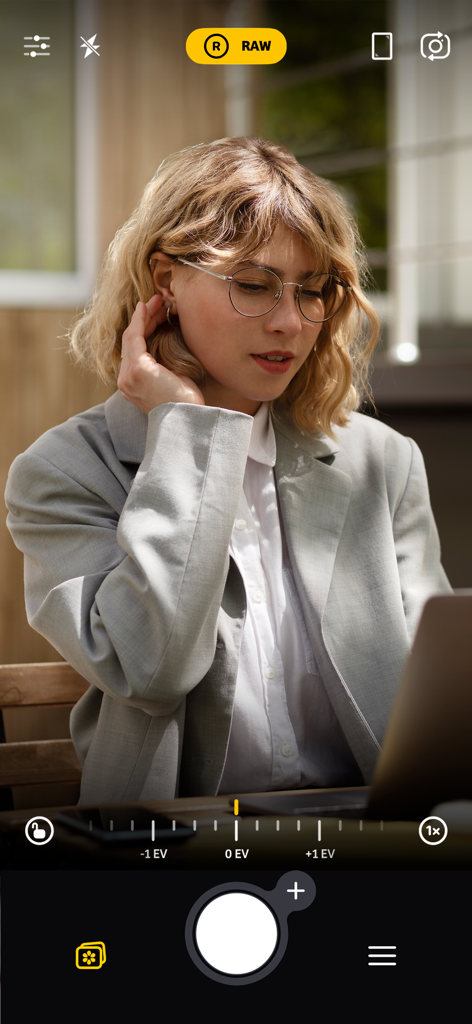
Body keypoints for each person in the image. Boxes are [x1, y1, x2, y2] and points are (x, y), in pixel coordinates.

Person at [5, 137, 451, 805]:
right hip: (172, 844)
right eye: (253, 285)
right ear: (166, 283)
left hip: (374, 829)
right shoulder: (64, 474)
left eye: (313, 291)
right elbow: (152, 668)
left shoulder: (383, 462)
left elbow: (439, 690)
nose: (288, 323)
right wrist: (189, 434)